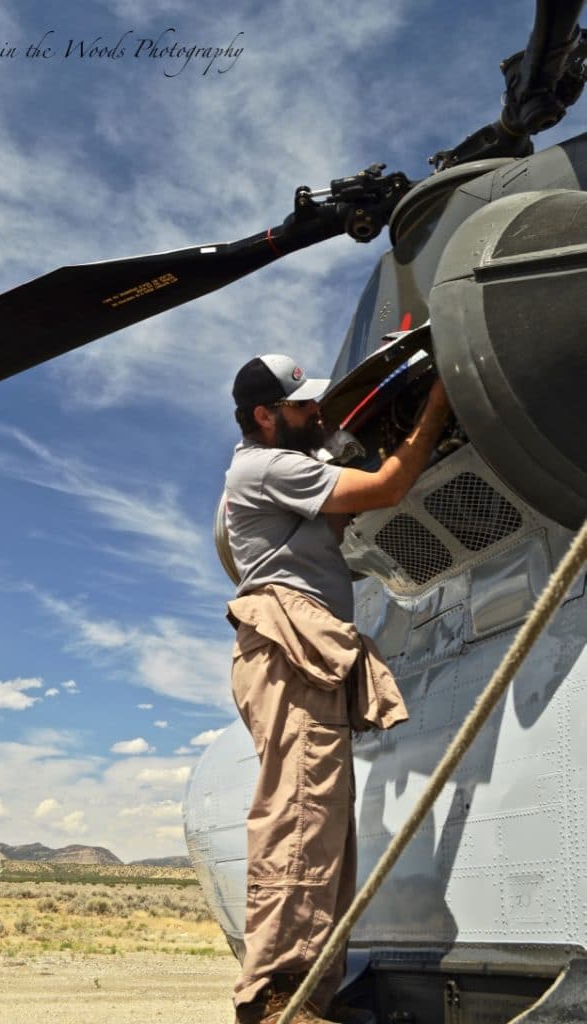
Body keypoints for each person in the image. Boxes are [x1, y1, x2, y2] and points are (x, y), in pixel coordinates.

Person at [224, 353, 452, 1024]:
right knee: (298, 818)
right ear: (265, 416)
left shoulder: (275, 466)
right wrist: (437, 404)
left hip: (300, 648)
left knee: (323, 828)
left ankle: (307, 994)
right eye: (300, 407)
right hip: (292, 647)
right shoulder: (270, 466)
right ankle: (273, 998)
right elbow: (385, 487)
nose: (314, 413)